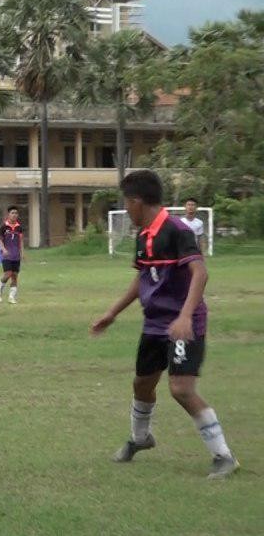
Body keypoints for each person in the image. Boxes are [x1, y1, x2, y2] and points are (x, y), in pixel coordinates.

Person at [90, 170, 237, 479]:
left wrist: (185, 316)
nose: (126, 210)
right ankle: (140, 438)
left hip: (183, 324)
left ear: (136, 201)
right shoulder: (144, 236)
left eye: (126, 203)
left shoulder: (177, 230)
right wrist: (112, 313)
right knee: (142, 384)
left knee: (181, 389)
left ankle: (223, 456)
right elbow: (143, 277)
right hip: (155, 324)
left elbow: (200, 273)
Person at [0, 206, 24, 304]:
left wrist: (22, 253)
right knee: (7, 274)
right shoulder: (4, 227)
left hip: (16, 255)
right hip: (7, 255)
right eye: (12, 213)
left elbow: (20, 241)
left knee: (15, 276)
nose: (14, 215)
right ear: (8, 214)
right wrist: (3, 249)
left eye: (16, 213)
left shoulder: (19, 227)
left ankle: (11, 297)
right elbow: (0, 240)